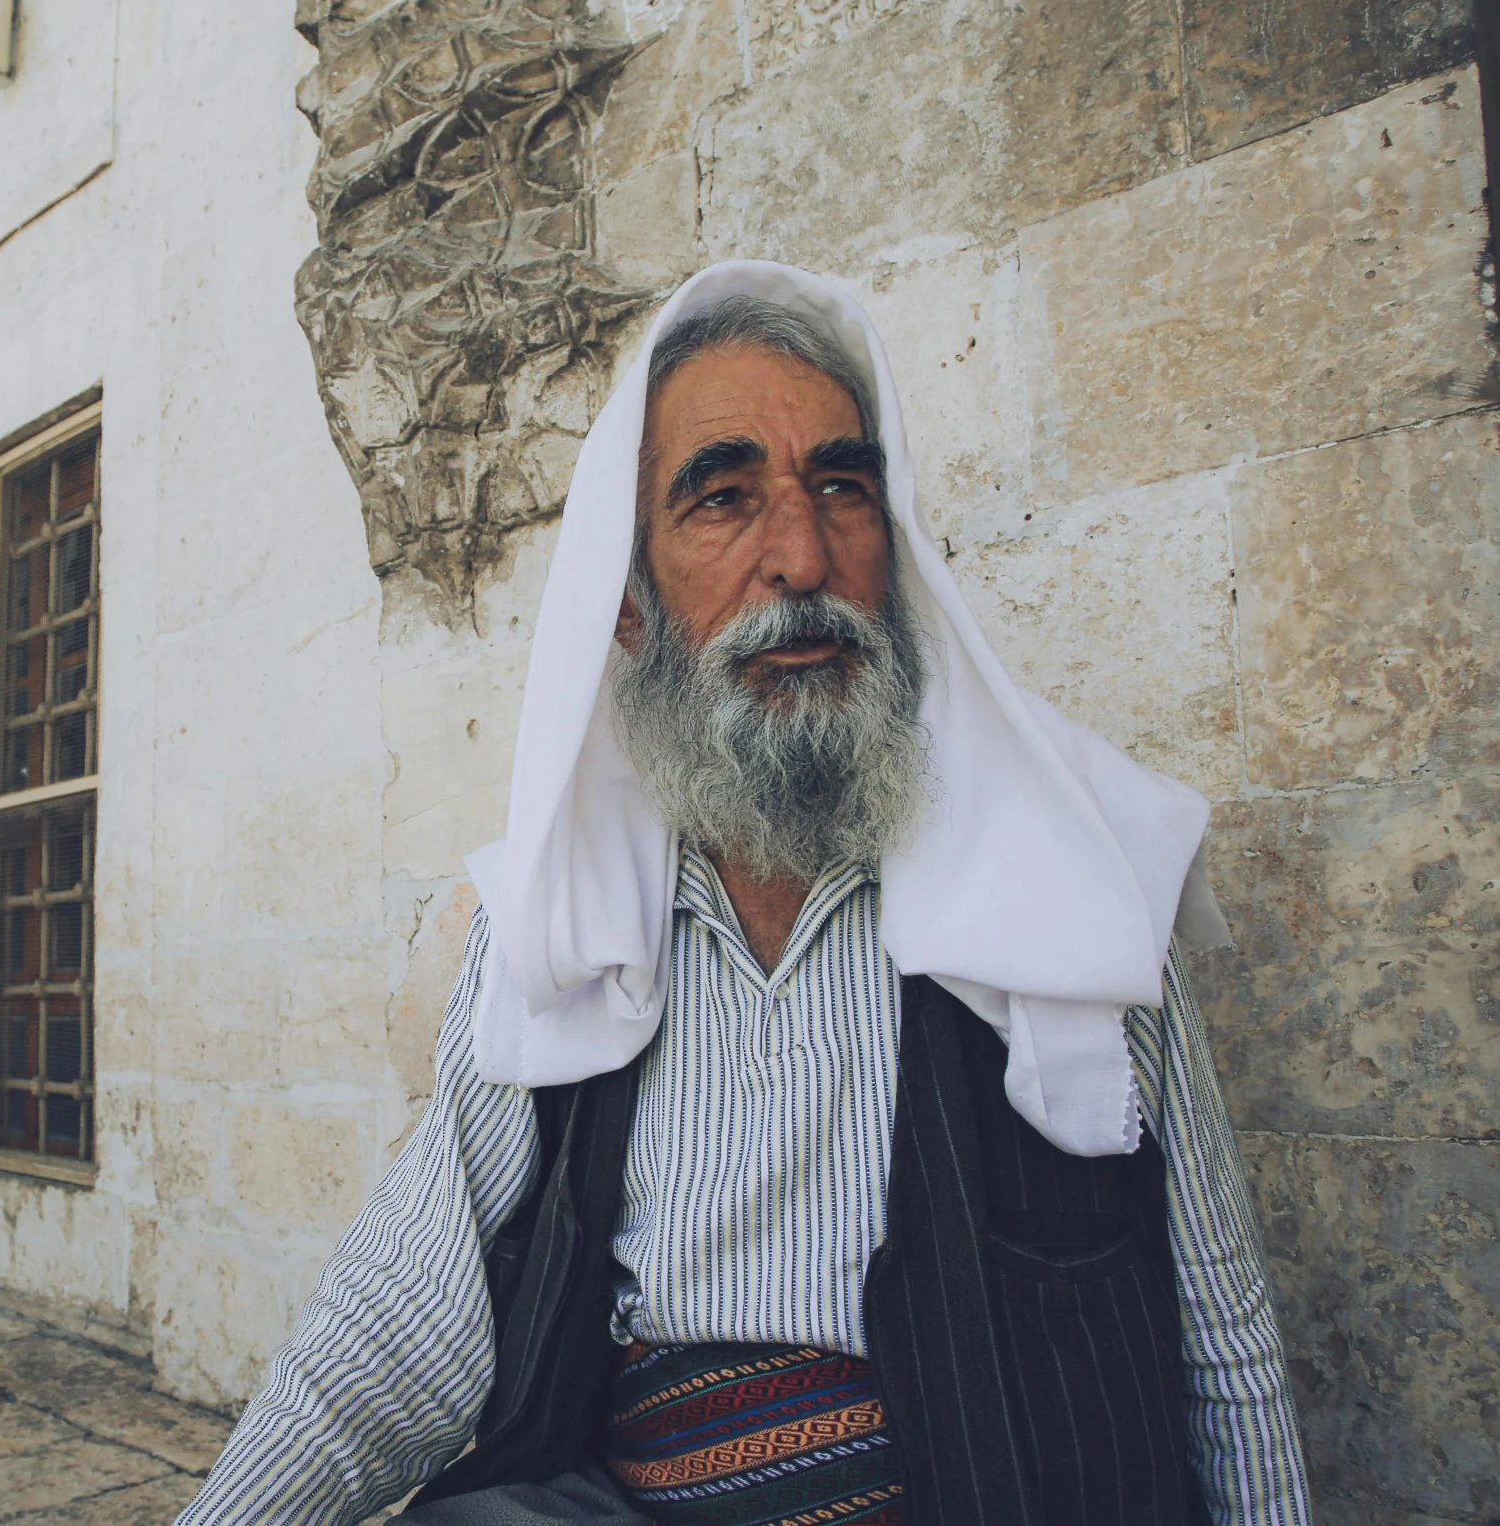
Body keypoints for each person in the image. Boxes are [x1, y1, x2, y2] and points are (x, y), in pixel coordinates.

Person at [177, 262, 1310, 1526]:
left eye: (841, 486)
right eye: (723, 498)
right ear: (627, 601)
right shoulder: (559, 920)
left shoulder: (1068, 887)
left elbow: (1225, 1349)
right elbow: (392, 1324)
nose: (801, 556)